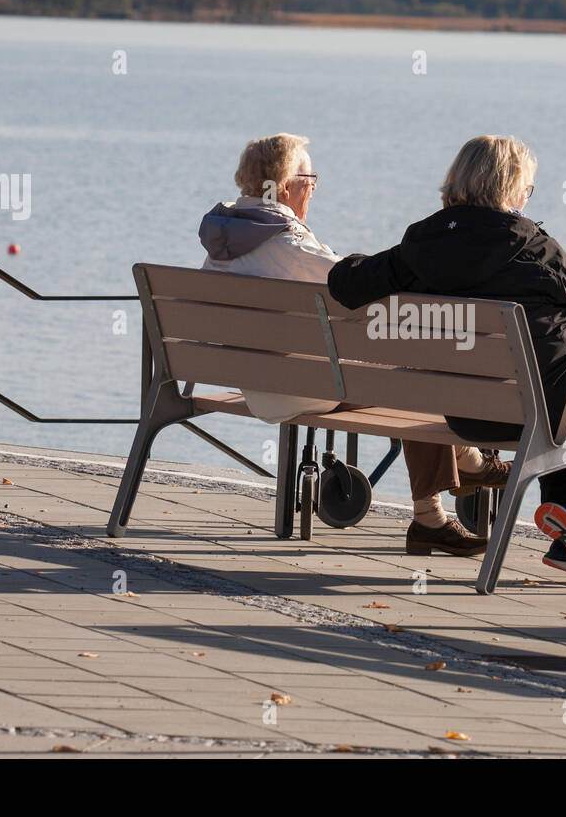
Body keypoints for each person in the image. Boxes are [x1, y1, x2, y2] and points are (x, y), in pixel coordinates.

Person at [327, 134, 566, 585]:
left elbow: (345, 284)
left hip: (474, 417)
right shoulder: (534, 247)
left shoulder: (420, 245)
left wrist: (358, 260)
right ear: (511, 189)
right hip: (558, 399)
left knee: (560, 406)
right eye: (527, 189)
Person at [199, 133, 507, 556]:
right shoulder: (288, 243)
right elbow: (359, 285)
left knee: (410, 372)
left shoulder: (224, 238)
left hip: (253, 383)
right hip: (295, 390)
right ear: (285, 185)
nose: (314, 187)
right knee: (422, 370)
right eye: (310, 178)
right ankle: (451, 486)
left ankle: (448, 493)